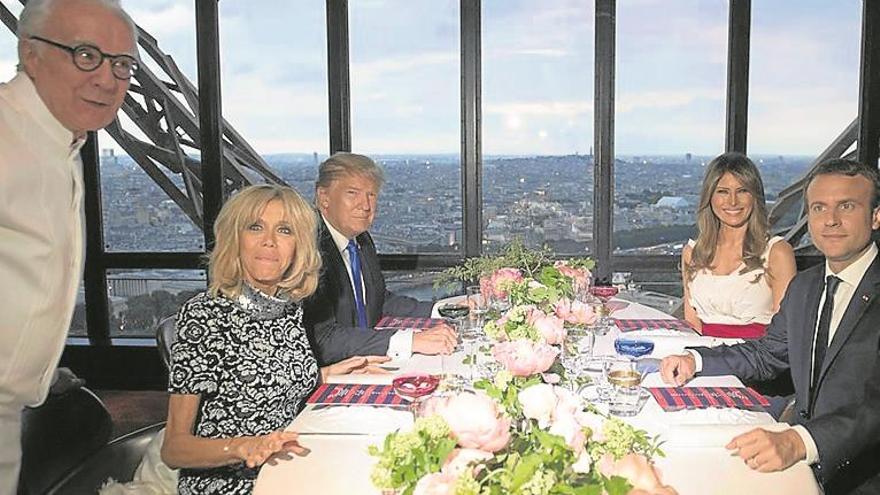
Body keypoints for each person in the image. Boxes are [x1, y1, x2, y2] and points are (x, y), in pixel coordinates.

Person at [661, 158, 880, 494]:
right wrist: (697, 360)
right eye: (819, 208)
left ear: (876, 216)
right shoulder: (807, 287)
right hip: (804, 460)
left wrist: (800, 440)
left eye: (846, 206)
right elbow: (766, 354)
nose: (831, 220)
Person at [161, 185, 389, 494]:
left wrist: (330, 373)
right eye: (255, 227)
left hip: (289, 465)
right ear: (234, 239)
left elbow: (270, 383)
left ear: (298, 246)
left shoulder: (287, 307)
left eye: (284, 230)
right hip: (232, 485)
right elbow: (174, 448)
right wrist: (245, 447)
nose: (269, 241)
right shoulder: (205, 316)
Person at [0, 0, 138, 492]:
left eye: (122, 64)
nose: (108, 79)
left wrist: (36, 375)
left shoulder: (62, 143)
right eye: (86, 55)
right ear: (30, 54)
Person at [303, 152, 457, 366]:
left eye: (371, 195)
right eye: (352, 193)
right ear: (324, 197)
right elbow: (324, 341)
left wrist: (446, 309)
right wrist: (411, 341)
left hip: (365, 359)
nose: (365, 205)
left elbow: (377, 301)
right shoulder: (308, 250)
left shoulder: (361, 240)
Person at [682, 152, 796, 338]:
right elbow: (691, 323)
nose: (732, 201)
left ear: (755, 197)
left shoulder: (777, 252)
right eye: (723, 192)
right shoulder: (693, 253)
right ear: (709, 197)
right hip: (703, 360)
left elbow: (783, 333)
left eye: (742, 191)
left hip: (756, 361)